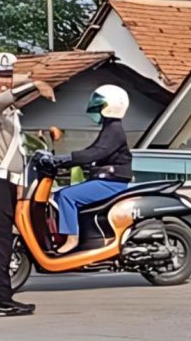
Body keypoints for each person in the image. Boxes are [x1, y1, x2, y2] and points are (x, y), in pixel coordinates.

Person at [0, 52, 55, 317]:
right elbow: (1, 97)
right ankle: (3, 302)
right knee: (1, 244)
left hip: (7, 184)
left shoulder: (9, 111)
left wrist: (20, 187)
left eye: (8, 75)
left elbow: (17, 153)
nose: (5, 80)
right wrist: (32, 85)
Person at [50, 85, 133, 254]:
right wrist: (67, 163)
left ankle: (72, 239)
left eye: (99, 104)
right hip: (105, 180)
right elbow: (94, 153)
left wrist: (66, 159)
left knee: (67, 196)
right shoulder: (110, 128)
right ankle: (76, 236)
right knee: (58, 195)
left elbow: (96, 152)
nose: (95, 107)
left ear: (111, 106)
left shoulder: (114, 129)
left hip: (111, 183)